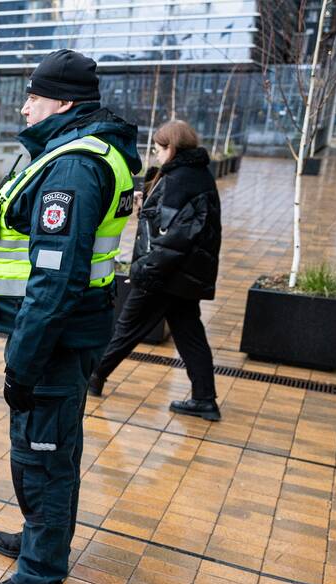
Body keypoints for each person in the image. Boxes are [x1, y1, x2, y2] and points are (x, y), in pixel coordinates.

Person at [0, 49, 141, 584]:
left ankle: (41, 577)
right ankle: (40, 539)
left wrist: (22, 362)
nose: (24, 107)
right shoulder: (78, 152)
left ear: (63, 102)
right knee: (52, 449)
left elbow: (56, 278)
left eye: (33, 97)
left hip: (53, 339)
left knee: (42, 455)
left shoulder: (72, 167)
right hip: (64, 334)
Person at [88, 120, 222, 421]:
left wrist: (142, 269)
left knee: (126, 328)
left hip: (164, 275)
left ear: (172, 148)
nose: (155, 153)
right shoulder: (195, 175)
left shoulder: (179, 181)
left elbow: (173, 237)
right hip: (183, 275)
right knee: (189, 334)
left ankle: (94, 377)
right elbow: (174, 224)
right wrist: (146, 202)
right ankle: (204, 399)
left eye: (158, 148)